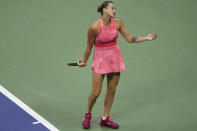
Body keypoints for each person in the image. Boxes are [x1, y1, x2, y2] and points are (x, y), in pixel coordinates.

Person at [78, 1, 157, 129]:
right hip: (100, 61)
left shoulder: (118, 23)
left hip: (115, 60)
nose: (115, 10)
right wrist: (84, 61)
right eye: (112, 8)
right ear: (104, 10)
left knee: (112, 90)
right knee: (96, 92)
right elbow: (89, 46)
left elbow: (129, 38)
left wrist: (145, 38)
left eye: (115, 8)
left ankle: (105, 118)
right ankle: (88, 114)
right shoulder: (94, 27)